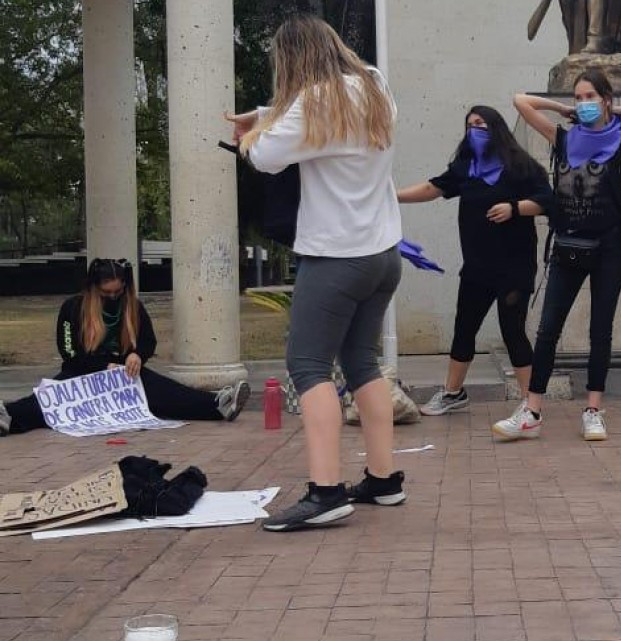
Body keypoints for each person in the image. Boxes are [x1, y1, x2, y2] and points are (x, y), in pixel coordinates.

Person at [227, 15, 405, 532]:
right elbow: (319, 126)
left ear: (291, 60)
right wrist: (265, 113)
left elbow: (264, 157)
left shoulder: (314, 103)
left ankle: (326, 492)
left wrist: (253, 132)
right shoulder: (375, 86)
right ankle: (383, 478)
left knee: (307, 367)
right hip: (382, 256)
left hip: (335, 259)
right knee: (362, 363)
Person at [499, 71, 621, 442]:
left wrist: (619, 108)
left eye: (590, 96)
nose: (583, 102)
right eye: (579, 96)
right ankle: (532, 410)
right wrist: (564, 108)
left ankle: (593, 410)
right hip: (569, 246)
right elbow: (520, 100)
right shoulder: (564, 137)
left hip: (610, 249)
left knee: (599, 331)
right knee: (547, 330)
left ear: (604, 98)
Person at [397, 107, 556, 417]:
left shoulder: (521, 166)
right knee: (464, 329)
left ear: (495, 127)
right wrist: (392, 195)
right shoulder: (465, 167)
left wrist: (515, 208)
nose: (475, 130)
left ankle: (530, 403)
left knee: (513, 330)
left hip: (514, 266)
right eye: (470, 125)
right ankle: (453, 393)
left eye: (481, 123)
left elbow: (548, 201)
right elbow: (433, 188)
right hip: (477, 267)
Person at [0, 259, 250, 437]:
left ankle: (218, 404)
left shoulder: (133, 306)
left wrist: (136, 355)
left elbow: (148, 341)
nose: (112, 297)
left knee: (166, 393)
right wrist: (102, 365)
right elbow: (69, 353)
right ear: (93, 288)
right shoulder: (72, 308)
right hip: (82, 375)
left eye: (117, 292)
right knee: (49, 402)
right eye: (105, 293)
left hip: (124, 375)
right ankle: (7, 417)